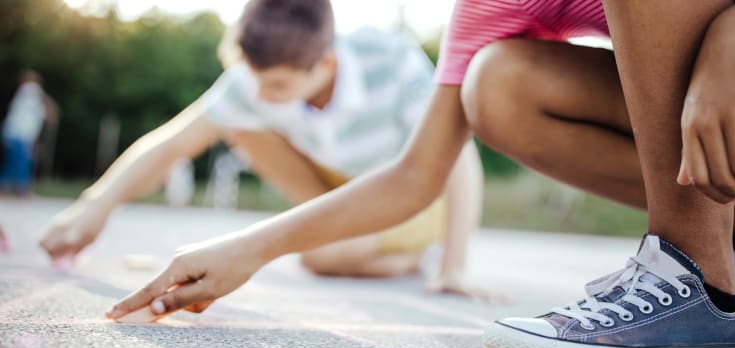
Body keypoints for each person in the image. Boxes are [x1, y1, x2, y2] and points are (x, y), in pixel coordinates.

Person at [103, 0, 735, 348]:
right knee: (497, 86)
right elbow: (415, 176)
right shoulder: (487, 6)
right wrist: (253, 246)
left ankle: (700, 286)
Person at [38, 0, 489, 298]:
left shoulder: (390, 59)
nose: (260, 93)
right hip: (333, 183)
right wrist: (93, 206)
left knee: (320, 256)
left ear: (326, 64)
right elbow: (172, 142)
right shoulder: (256, 79)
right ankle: (349, 236)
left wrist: (455, 266)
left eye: (277, 86)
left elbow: (458, 158)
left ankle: (407, 258)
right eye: (254, 79)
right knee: (237, 125)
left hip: (406, 188)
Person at [0, 71, 56, 194]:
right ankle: (22, 189)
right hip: (20, 135)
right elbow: (48, 111)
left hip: (15, 134)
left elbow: (45, 115)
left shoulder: (27, 98)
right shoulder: (30, 90)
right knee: (22, 162)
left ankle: (6, 187)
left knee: (13, 162)